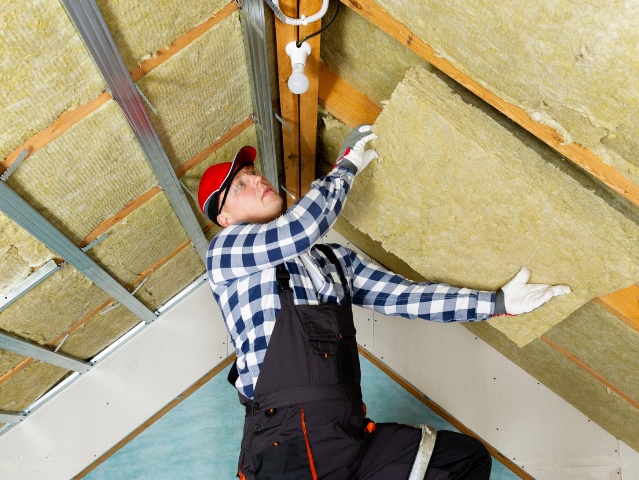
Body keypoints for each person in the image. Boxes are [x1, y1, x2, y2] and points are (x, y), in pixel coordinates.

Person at [197, 125, 570, 480]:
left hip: (348, 432)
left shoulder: (333, 261)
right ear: (225, 218)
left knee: (462, 461)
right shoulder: (225, 252)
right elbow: (299, 228)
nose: (258, 180)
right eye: (241, 184)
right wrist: (345, 167)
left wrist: (496, 302)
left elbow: (407, 297)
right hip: (286, 442)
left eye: (253, 172)